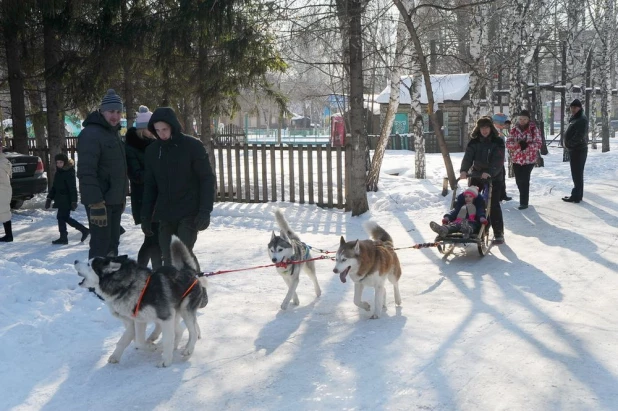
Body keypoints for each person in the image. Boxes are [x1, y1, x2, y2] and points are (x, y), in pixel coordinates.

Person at [141, 107, 215, 269]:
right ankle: (175, 291)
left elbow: (207, 179)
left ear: (173, 126)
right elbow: (150, 186)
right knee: (168, 257)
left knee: (182, 252)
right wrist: (145, 216)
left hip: (189, 211)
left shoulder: (192, 146)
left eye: (165, 129)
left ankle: (196, 287)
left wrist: (205, 211)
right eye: (157, 130)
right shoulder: (153, 151)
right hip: (166, 213)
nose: (162, 134)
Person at [77, 89, 128, 258]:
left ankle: (109, 284)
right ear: (102, 111)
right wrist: (95, 203)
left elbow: (116, 170)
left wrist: (120, 199)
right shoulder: (91, 134)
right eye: (111, 111)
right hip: (100, 203)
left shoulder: (113, 134)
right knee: (101, 247)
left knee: (112, 246)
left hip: (113, 201)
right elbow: (86, 171)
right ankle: (95, 284)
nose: (115, 116)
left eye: (118, 111)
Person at [125, 105, 162, 269]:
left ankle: (155, 270)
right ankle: (141, 270)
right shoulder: (132, 148)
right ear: (143, 129)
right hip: (143, 198)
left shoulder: (154, 144)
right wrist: (155, 173)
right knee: (151, 238)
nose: (155, 131)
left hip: (157, 198)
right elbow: (136, 175)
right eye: (151, 128)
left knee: (156, 238)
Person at [460, 116, 506, 244]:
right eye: (482, 128)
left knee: (493, 204)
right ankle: (472, 228)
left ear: (491, 128)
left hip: (494, 177)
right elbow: (468, 157)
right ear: (478, 129)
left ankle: (498, 233)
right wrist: (464, 170)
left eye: (487, 128)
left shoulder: (498, 141)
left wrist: (489, 172)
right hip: (476, 175)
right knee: (472, 200)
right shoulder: (474, 142)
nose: (484, 130)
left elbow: (499, 160)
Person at [45, 153, 90, 244]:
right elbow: (54, 187)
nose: (59, 164)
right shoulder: (59, 172)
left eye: (61, 162)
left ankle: (68, 235)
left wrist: (74, 201)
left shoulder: (69, 172)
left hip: (67, 199)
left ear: (65, 162)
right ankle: (77, 232)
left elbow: (72, 188)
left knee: (62, 217)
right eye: (57, 162)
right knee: (63, 217)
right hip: (60, 199)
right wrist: (49, 198)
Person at [506, 110, 542, 210]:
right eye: (520, 119)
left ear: (528, 119)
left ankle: (524, 202)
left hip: (529, 160)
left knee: (524, 180)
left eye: (525, 119)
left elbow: (538, 143)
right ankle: (523, 195)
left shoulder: (533, 129)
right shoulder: (514, 129)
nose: (522, 121)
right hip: (516, 159)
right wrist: (516, 144)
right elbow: (508, 143)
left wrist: (527, 146)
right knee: (518, 180)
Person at [562, 99, 589, 203]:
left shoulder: (581, 119)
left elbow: (579, 135)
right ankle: (577, 195)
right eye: (572, 107)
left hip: (578, 149)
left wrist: (569, 144)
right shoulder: (576, 118)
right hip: (576, 149)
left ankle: (576, 196)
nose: (573, 109)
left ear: (579, 108)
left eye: (575, 107)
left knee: (577, 173)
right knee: (577, 173)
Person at [492, 113, 513, 202]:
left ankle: (502, 194)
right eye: (503, 123)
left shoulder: (500, 131)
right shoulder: (494, 132)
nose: (504, 125)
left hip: (500, 159)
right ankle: (497, 195)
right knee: (498, 178)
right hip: (494, 160)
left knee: (502, 176)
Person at [0, 142, 13, 242]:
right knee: (4, 212)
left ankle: (9, 236)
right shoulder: (4, 160)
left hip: (2, 190)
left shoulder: (1, 162)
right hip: (5, 189)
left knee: (4, 212)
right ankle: (8, 235)